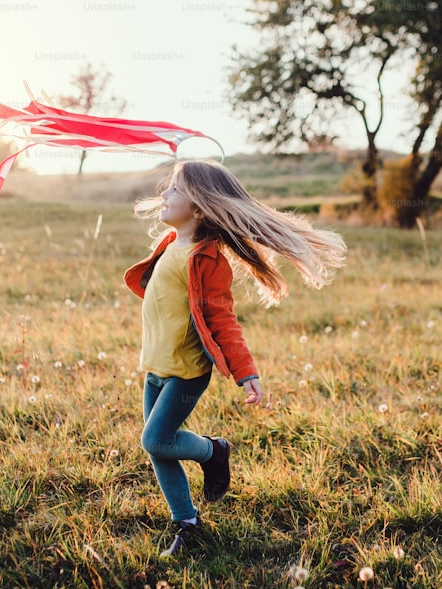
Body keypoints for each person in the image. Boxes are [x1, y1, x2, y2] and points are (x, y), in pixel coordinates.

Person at [123, 159, 347, 558]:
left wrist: (247, 372)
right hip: (155, 367)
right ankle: (186, 521)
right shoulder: (170, 244)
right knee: (160, 448)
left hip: (186, 374)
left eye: (174, 189)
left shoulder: (209, 261)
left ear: (199, 208)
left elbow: (223, 320)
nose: (164, 193)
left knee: (155, 440)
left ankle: (214, 451)